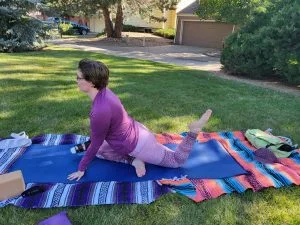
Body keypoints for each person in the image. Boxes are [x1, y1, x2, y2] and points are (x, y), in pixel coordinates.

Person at [67, 59, 212, 181]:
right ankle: (135, 161)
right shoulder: (105, 91)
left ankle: (193, 132)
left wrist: (81, 169)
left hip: (139, 145)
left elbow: (95, 143)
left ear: (92, 82)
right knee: (100, 151)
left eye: (78, 77)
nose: (76, 80)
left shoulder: (99, 111)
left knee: (176, 161)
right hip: (138, 132)